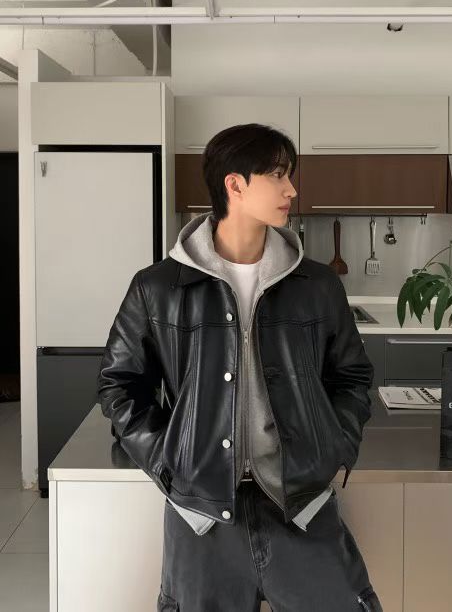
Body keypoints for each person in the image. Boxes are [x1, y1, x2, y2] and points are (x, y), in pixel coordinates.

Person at [97, 123, 383, 611]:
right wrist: (170, 461)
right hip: (201, 515)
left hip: (303, 505)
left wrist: (333, 446)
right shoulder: (157, 287)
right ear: (235, 184)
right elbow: (119, 386)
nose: (291, 190)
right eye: (277, 175)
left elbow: (352, 376)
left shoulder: (317, 285)